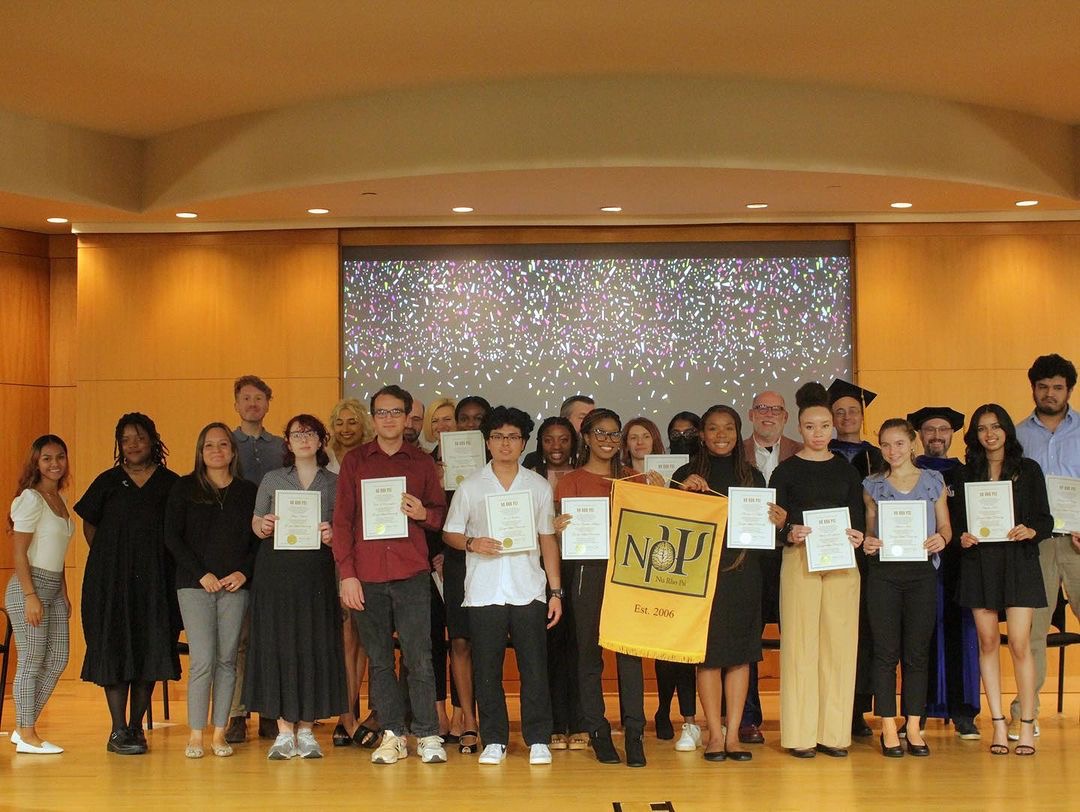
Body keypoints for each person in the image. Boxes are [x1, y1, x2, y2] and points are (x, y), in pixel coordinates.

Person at [333, 384, 448, 765]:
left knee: (419, 658)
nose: (388, 419)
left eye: (395, 412)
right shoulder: (355, 462)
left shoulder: (420, 463)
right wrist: (347, 575)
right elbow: (343, 522)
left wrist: (422, 515)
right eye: (381, 412)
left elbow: (440, 516)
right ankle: (393, 734)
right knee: (380, 660)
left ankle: (429, 734)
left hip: (411, 572)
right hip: (365, 575)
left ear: (406, 417)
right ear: (373, 418)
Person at [443, 406, 563, 766]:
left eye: (512, 437)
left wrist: (555, 592)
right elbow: (449, 531)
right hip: (484, 589)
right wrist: (471, 543)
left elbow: (547, 540)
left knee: (534, 666)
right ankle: (493, 738)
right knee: (487, 667)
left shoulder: (537, 485)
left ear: (524, 442)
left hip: (528, 588)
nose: (504, 443)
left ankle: (538, 737)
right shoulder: (471, 486)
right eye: (497, 437)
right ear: (487, 442)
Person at [672, 406, 786, 762]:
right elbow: (670, 527)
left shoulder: (752, 475)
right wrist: (684, 496)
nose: (721, 434)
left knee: (740, 657)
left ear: (738, 433)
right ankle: (714, 735)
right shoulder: (686, 473)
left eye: (728, 428)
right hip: (701, 577)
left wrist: (779, 522)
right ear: (702, 434)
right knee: (707, 657)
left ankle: (734, 735)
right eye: (713, 428)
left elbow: (765, 532)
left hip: (744, 575)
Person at [554, 409, 660, 767]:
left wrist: (659, 497)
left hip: (629, 576)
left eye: (614, 434)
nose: (607, 440)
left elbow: (654, 530)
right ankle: (597, 731)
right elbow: (556, 538)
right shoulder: (570, 483)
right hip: (587, 573)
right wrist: (557, 527)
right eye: (599, 432)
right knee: (588, 656)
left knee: (630, 656)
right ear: (585, 437)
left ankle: (634, 734)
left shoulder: (637, 479)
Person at [75, 413, 181, 756]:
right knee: (115, 647)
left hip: (156, 582)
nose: (133, 444)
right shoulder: (107, 481)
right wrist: (115, 558)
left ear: (153, 439)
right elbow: (90, 527)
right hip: (110, 582)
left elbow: (178, 532)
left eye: (139, 437)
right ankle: (117, 729)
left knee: (149, 648)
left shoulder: (171, 483)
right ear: (119, 445)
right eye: (126, 439)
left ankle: (137, 727)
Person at [771, 382, 865, 758]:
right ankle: (800, 735)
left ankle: (834, 734)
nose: (819, 432)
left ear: (832, 428)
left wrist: (856, 535)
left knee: (839, 647)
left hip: (841, 563)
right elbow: (775, 520)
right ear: (800, 428)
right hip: (800, 562)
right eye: (810, 426)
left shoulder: (846, 471)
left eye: (825, 425)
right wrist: (788, 530)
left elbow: (856, 517)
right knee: (801, 646)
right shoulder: (785, 472)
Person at [245, 414, 345, 760]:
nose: (304, 439)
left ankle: (307, 728)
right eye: (296, 434)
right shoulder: (273, 479)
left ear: (321, 441)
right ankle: (284, 731)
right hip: (276, 572)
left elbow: (345, 528)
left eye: (311, 433)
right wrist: (265, 525)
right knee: (280, 645)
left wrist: (333, 535)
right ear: (287, 441)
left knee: (313, 644)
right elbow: (256, 522)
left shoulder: (335, 482)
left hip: (316, 572)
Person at [955, 404, 1052, 756]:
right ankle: (996, 724)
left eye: (995, 427)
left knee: (1021, 645)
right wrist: (962, 537)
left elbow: (1046, 519)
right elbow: (955, 526)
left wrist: (1032, 529)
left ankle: (1025, 724)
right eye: (982, 428)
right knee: (987, 642)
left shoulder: (1028, 470)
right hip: (979, 562)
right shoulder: (967, 474)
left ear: (1007, 430)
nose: (989, 434)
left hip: (1019, 561)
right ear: (975, 435)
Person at [164, 423, 259, 759]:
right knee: (202, 660)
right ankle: (195, 734)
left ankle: (220, 733)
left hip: (235, 586)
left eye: (222, 445)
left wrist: (243, 573)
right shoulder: (184, 487)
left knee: (227, 660)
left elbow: (257, 541)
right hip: (194, 586)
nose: (216, 451)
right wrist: (200, 573)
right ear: (200, 452)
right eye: (209, 446)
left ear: (232, 451)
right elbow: (172, 537)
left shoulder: (249, 491)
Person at [861, 418, 951, 757]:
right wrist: (869, 543)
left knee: (916, 654)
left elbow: (946, 526)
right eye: (885, 445)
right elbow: (870, 532)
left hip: (922, 574)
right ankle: (887, 727)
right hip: (884, 575)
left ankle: (913, 725)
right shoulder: (871, 484)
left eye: (898, 443)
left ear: (912, 443)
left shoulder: (933, 481)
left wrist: (941, 539)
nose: (892, 451)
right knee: (885, 654)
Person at [1009, 354, 1080, 741]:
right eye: (1042, 387)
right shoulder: (1018, 436)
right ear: (1032, 388)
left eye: (1057, 387)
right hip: (1036, 545)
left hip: (1078, 542)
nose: (1049, 394)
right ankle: (1026, 714)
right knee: (1032, 631)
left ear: (1069, 390)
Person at [907, 405, 980, 740]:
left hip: (962, 566)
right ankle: (917, 709)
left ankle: (963, 711)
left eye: (943, 430)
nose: (936, 436)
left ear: (953, 434)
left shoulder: (967, 474)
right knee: (920, 634)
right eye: (929, 430)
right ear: (919, 435)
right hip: (920, 564)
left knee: (961, 635)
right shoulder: (908, 472)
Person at [740, 390, 802, 745]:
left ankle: (799, 716)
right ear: (751, 415)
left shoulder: (802, 453)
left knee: (798, 637)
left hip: (791, 556)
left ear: (785, 416)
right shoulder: (735, 453)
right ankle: (748, 717)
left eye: (775, 409)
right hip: (749, 560)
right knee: (749, 640)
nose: (768, 415)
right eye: (761, 408)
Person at [6, 435, 74, 754]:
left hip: (54, 589)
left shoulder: (58, 499)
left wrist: (63, 593)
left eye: (60, 457)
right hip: (28, 587)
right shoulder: (30, 499)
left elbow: (57, 554)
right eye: (47, 458)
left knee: (59, 658)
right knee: (31, 661)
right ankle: (27, 731)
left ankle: (24, 726)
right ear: (36, 462)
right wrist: (31, 595)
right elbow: (19, 554)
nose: (54, 463)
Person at [228, 374, 286, 743]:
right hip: (235, 548)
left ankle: (270, 710)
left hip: (277, 547)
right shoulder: (224, 443)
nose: (252, 404)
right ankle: (236, 712)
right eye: (245, 398)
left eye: (258, 398)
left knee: (270, 634)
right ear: (236, 404)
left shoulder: (282, 446)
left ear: (268, 403)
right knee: (240, 635)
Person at [827, 378, 881, 737]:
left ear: (863, 415)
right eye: (840, 411)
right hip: (827, 551)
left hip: (866, 555)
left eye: (853, 411)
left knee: (864, 631)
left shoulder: (877, 455)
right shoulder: (820, 451)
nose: (847, 416)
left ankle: (857, 709)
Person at [528, 416, 585, 751]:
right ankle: (551, 724)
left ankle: (578, 722)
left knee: (577, 649)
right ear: (540, 443)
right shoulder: (528, 477)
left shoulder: (582, 475)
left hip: (579, 566)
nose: (557, 447)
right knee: (548, 649)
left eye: (563, 439)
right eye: (549, 439)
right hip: (540, 570)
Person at [429, 396, 480, 751]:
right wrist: (440, 552)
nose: (467, 425)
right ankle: (459, 716)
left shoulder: (498, 461)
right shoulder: (431, 463)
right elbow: (428, 515)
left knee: (478, 643)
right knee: (454, 640)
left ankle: (469, 715)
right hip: (445, 561)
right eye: (463, 419)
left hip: (486, 560)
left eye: (478, 420)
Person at [326, 397, 377, 747]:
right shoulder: (323, 461)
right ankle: (346, 715)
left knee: (364, 639)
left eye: (351, 421)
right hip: (330, 559)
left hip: (368, 557)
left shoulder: (371, 459)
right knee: (345, 639)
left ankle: (357, 716)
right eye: (339, 422)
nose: (345, 428)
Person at [650, 411, 701, 745]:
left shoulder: (701, 471)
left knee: (690, 648)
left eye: (689, 431)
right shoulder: (664, 469)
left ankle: (690, 717)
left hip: (697, 564)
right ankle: (664, 708)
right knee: (666, 647)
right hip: (662, 563)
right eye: (675, 432)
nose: (682, 437)